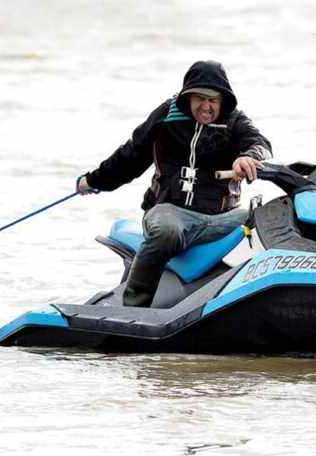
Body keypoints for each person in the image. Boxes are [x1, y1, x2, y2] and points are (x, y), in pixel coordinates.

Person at [77, 60, 272, 307]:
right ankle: (133, 306)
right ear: (188, 97)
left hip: (223, 218)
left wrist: (249, 157)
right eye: (200, 98)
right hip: (170, 213)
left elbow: (260, 144)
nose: (206, 106)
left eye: (213, 100)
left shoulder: (234, 122)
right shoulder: (166, 116)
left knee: (267, 218)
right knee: (166, 229)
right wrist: (93, 181)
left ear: (223, 100)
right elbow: (130, 156)